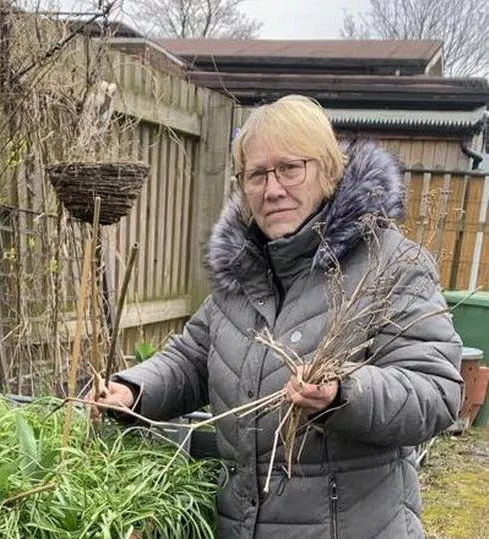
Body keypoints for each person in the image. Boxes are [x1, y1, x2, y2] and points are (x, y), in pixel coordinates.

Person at [94, 95, 463, 538]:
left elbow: (436, 392)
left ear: (329, 170)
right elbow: (193, 359)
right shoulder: (242, 272)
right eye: (256, 174)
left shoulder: (391, 266)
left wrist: (344, 391)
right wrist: (133, 390)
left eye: (290, 168)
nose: (272, 189)